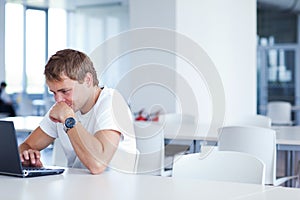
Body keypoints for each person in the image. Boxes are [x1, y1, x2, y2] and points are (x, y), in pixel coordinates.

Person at [19, 49, 136, 174]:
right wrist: (27, 156)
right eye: (54, 92)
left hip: (116, 190)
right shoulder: (64, 106)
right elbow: (25, 146)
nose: (58, 99)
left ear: (87, 80)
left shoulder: (112, 103)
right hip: (78, 188)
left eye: (65, 91)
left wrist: (68, 119)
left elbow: (97, 164)